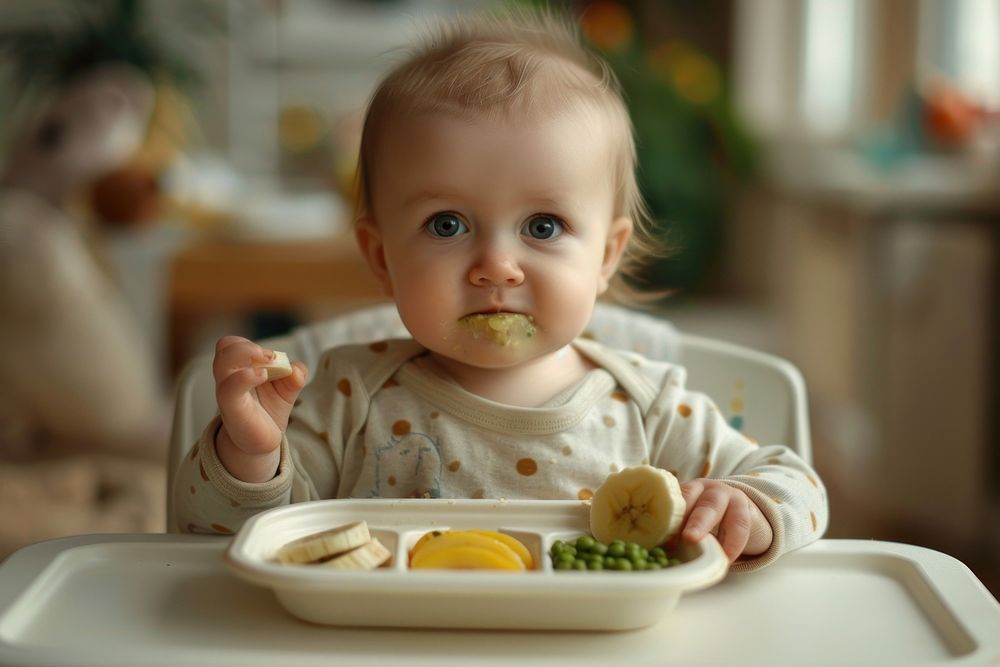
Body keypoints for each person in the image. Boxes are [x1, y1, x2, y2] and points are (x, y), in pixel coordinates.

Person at [174, 10, 827, 569]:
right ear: (381, 256)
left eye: (542, 225)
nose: (496, 265)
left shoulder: (653, 409)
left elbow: (799, 484)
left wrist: (754, 508)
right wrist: (252, 456)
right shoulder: (343, 397)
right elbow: (225, 541)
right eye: (447, 224)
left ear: (605, 255)